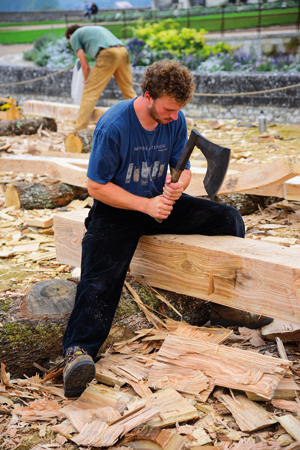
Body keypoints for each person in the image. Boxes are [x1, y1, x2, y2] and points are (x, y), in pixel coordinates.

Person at [62, 59, 272, 399]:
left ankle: (222, 305)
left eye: (178, 111)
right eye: (169, 109)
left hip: (161, 204)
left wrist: (179, 184)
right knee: (101, 278)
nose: (174, 117)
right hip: (118, 209)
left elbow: (183, 167)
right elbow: (96, 186)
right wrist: (145, 205)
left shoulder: (175, 119)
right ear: (147, 97)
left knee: (228, 220)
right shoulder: (113, 126)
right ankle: (77, 351)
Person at [65, 25, 136, 131]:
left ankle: (79, 131)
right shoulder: (91, 29)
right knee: (128, 91)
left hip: (108, 53)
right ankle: (140, 123)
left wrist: (87, 82)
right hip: (123, 51)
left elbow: (85, 66)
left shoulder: (74, 36)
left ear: (70, 35)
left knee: (89, 93)